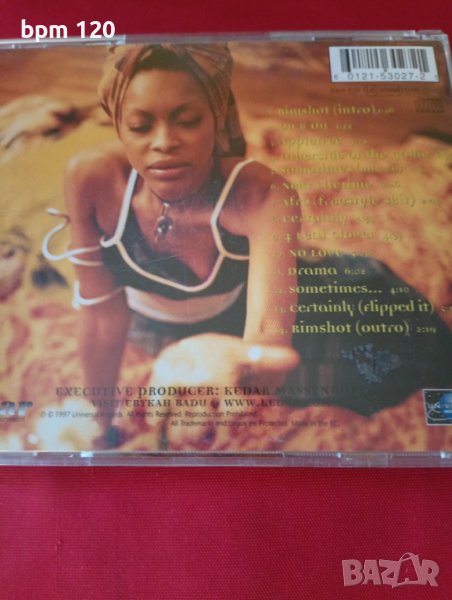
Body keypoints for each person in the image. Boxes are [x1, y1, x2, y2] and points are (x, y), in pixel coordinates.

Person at [43, 43, 451, 443]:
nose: (164, 141)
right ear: (117, 126)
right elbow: (101, 317)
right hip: (158, 328)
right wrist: (100, 425)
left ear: (217, 117)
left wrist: (238, 356)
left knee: (393, 362)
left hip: (253, 317)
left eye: (188, 120)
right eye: (140, 126)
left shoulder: (263, 195)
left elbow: (273, 352)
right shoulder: (92, 179)